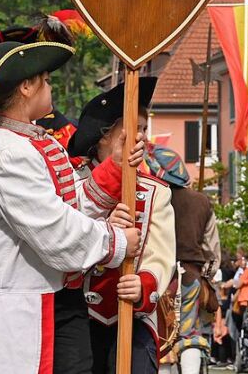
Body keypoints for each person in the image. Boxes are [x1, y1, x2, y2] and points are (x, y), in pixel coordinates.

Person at [0, 39, 141, 374]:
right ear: (25, 87)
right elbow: (55, 231)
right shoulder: (10, 153)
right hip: (9, 312)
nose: (50, 86)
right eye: (46, 80)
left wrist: (115, 165)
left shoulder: (30, 142)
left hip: (33, 303)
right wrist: (117, 243)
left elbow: (68, 206)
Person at [66, 78, 177, 374]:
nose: (141, 137)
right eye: (133, 128)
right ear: (103, 136)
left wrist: (144, 284)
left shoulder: (157, 192)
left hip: (132, 318)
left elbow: (161, 255)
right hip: (78, 315)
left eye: (144, 128)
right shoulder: (72, 183)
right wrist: (103, 228)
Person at [148, 146, 221, 374]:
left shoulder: (152, 195)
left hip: (158, 276)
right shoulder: (202, 201)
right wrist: (206, 276)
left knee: (160, 333)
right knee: (189, 334)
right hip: (191, 276)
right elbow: (212, 250)